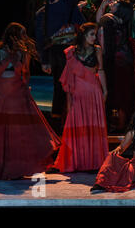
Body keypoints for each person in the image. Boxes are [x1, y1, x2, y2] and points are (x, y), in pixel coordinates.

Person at [0, 23, 60, 180]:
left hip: (12, 93)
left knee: (11, 131)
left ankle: (9, 167)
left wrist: (20, 87)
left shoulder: (18, 52)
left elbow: (25, 73)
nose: (25, 38)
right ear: (16, 35)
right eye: (23, 34)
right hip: (5, 93)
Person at [35, 0, 87, 135]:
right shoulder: (44, 10)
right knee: (59, 87)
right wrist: (44, 59)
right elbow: (41, 37)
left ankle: (75, 120)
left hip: (69, 51)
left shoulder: (66, 2)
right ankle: (57, 126)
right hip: (55, 53)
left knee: (72, 85)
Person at [51, 23, 109, 173]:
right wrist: (69, 97)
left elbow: (101, 70)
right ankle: (77, 161)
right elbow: (69, 77)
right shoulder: (71, 52)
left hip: (93, 90)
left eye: (95, 35)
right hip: (78, 91)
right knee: (77, 124)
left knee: (93, 125)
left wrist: (105, 90)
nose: (94, 38)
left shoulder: (97, 49)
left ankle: (93, 162)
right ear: (83, 35)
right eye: (91, 34)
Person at [98, 0, 135, 133]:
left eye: (116, 3)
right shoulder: (124, 21)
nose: (112, 3)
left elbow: (105, 44)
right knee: (123, 94)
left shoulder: (107, 20)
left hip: (114, 61)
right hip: (126, 60)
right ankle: (122, 125)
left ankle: (113, 125)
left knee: (115, 93)